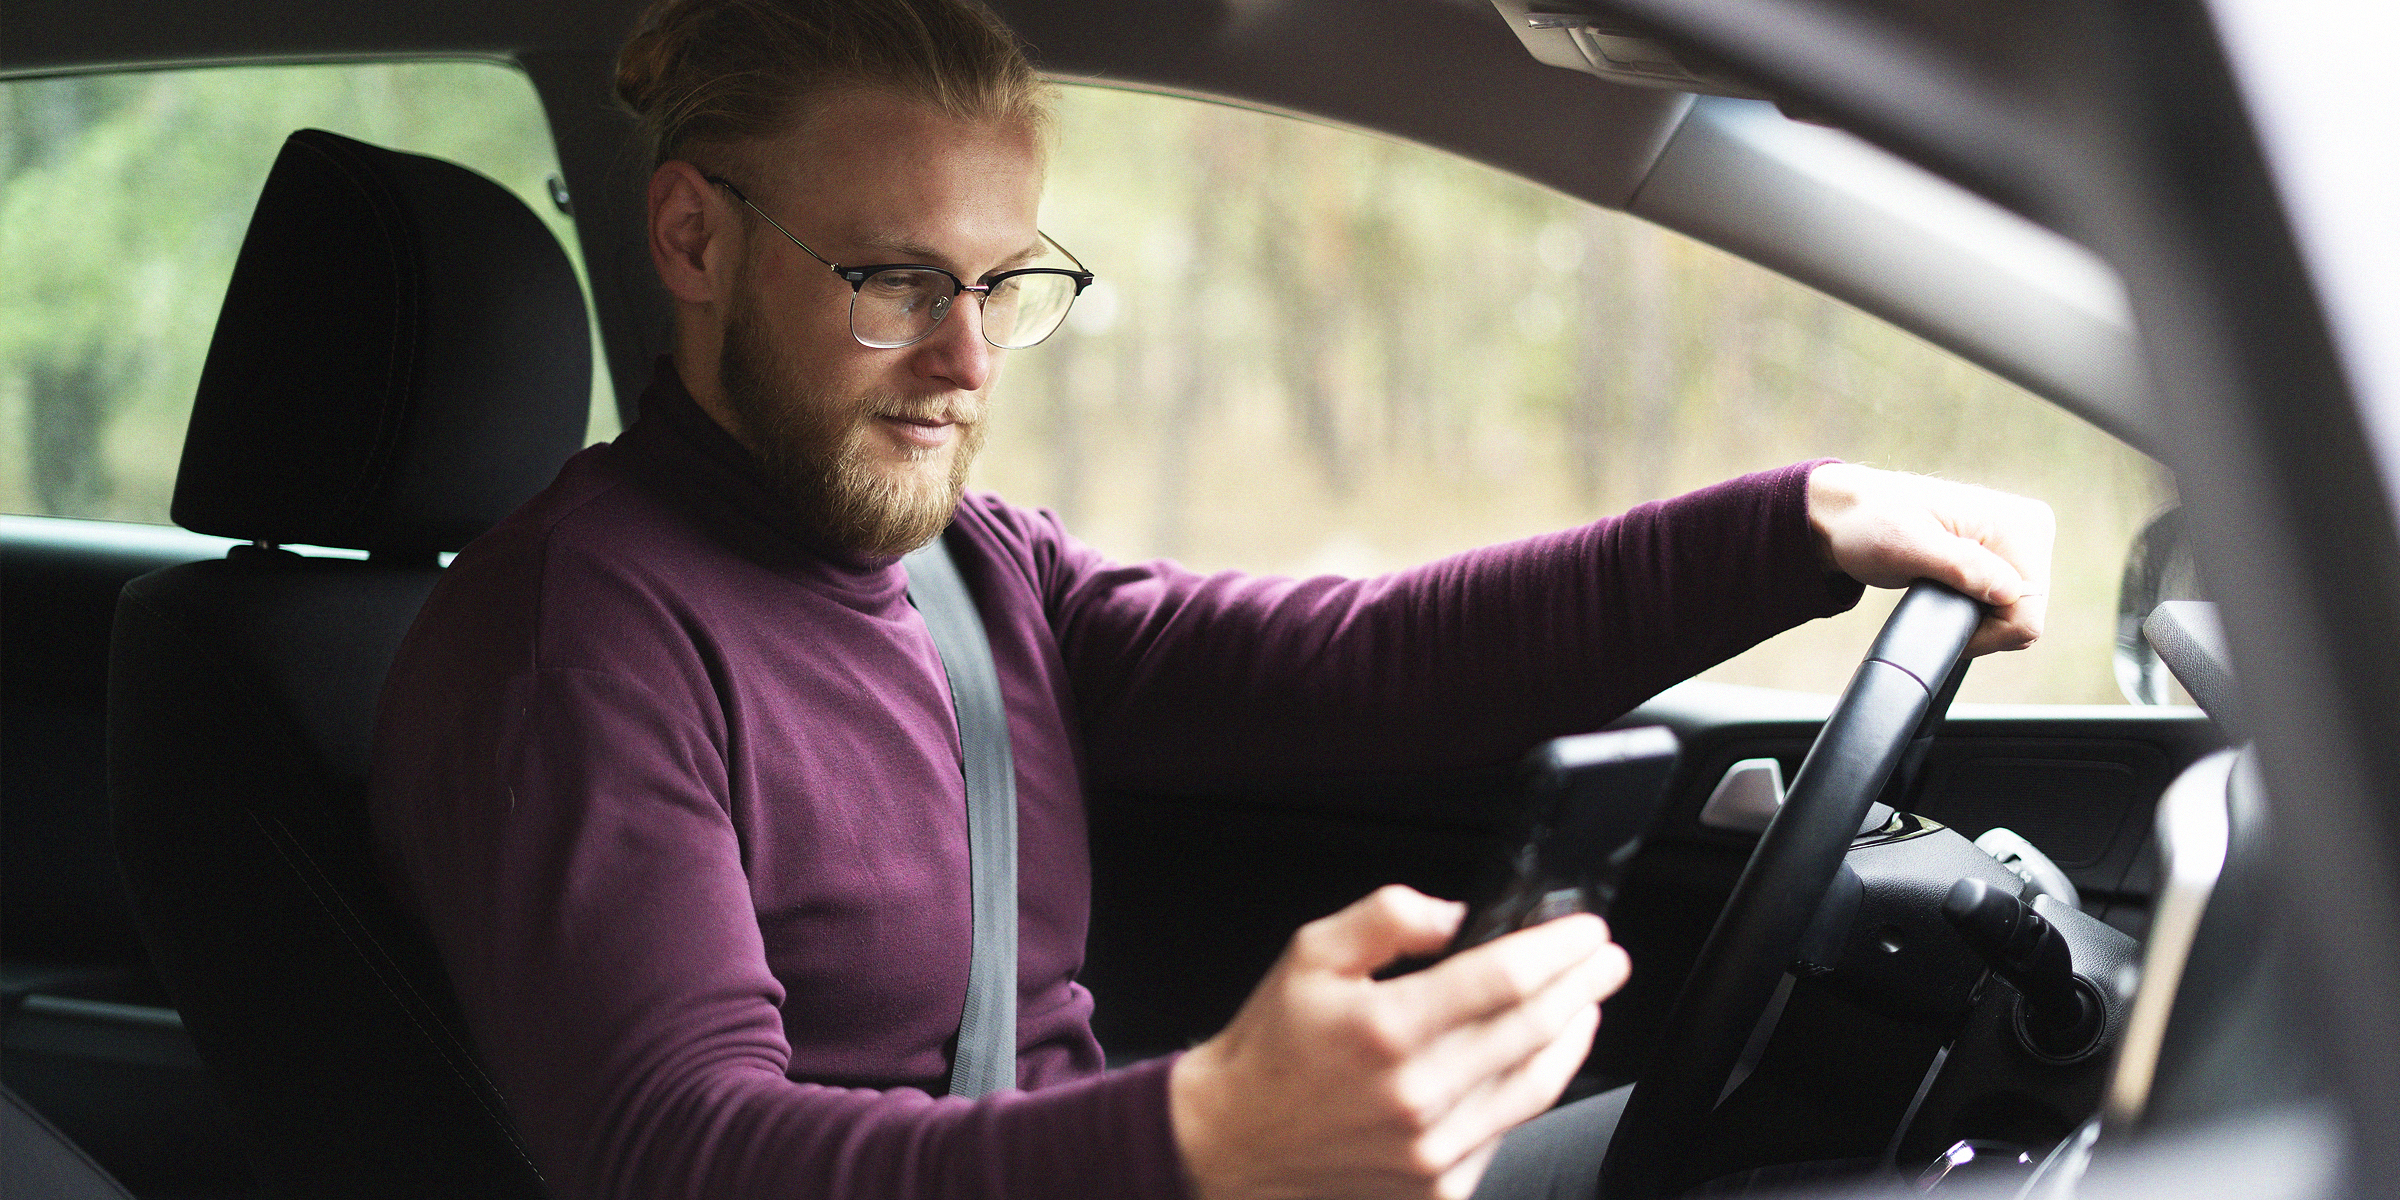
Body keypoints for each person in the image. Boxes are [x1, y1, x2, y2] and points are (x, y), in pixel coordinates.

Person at [368, 1, 2056, 1197]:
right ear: (690, 239)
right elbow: (682, 1156)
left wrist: (1798, 525)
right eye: (894, 281)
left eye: (1006, 283)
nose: (966, 361)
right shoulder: (567, 649)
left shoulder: (968, 571)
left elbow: (1370, 663)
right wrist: (1201, 1141)